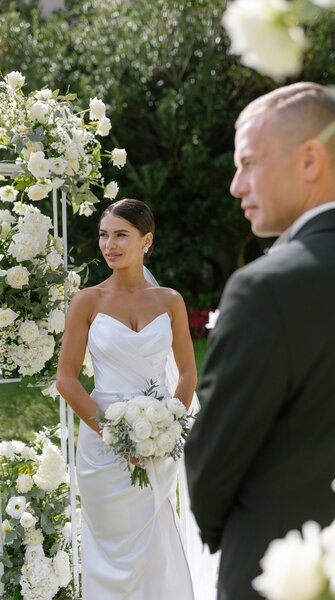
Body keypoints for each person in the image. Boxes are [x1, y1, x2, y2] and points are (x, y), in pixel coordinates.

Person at [184, 82, 335, 600]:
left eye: (249, 163)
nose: (236, 185)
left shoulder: (264, 288)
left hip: (278, 575)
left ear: (309, 161)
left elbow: (210, 468)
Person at [56, 198, 199, 599]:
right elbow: (66, 379)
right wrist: (114, 435)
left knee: (153, 539)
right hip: (102, 446)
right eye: (104, 235)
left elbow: (187, 372)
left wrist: (168, 428)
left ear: (146, 241)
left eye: (121, 235)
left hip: (157, 443)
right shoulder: (87, 301)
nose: (109, 244)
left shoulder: (170, 301)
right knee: (110, 549)